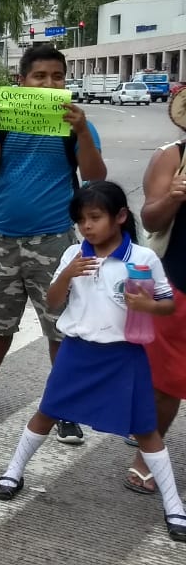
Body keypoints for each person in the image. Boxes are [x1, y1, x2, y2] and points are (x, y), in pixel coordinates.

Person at [0, 181, 186, 542]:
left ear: (120, 217)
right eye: (81, 220)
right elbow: (52, 301)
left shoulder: (143, 259)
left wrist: (148, 307)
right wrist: (68, 272)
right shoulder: (73, 255)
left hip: (125, 356)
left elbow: (168, 303)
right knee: (46, 412)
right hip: (78, 350)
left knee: (145, 428)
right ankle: (13, 472)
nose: (87, 227)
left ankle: (174, 506)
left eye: (95, 218)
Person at [0, 44, 107, 447]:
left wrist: (82, 131)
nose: (49, 83)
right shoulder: (8, 120)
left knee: (60, 327)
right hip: (2, 240)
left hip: (53, 242)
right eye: (40, 76)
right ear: (22, 81)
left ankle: (64, 407)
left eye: (57, 77)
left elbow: (96, 177)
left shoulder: (74, 124)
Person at [126, 99, 186, 495]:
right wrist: (175, 196)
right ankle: (147, 454)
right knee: (167, 380)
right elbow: (149, 218)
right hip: (181, 279)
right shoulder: (173, 157)